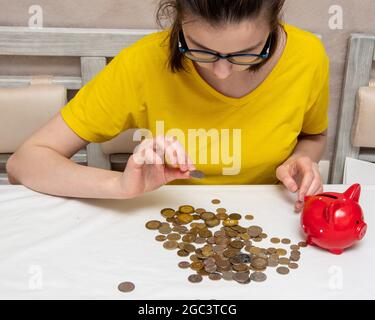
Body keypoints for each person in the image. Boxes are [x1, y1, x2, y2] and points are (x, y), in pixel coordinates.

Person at [6, 0, 329, 212]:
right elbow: (24, 164)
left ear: (274, 23)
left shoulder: (308, 55)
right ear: (177, 19)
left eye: (246, 53)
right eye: (200, 50)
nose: (221, 71)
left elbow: (313, 136)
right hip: (165, 220)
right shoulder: (142, 62)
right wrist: (119, 186)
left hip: (269, 221)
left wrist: (301, 159)